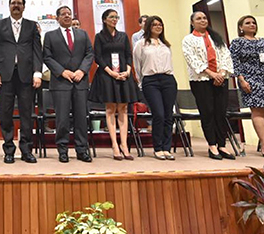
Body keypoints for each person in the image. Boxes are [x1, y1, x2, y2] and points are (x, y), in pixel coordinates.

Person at [0, 0, 42, 164]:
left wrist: (37, 73)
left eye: (19, 3)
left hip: (27, 76)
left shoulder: (32, 25)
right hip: (5, 76)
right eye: (13, 3)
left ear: (24, 7)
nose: (16, 6)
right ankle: (9, 150)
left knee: (27, 114)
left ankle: (26, 150)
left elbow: (37, 51)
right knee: (5, 114)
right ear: (9, 6)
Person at [43, 6, 94, 163]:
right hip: (60, 82)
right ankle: (62, 150)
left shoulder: (82, 34)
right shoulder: (50, 36)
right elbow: (47, 57)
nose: (67, 16)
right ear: (57, 18)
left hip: (80, 82)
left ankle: (82, 150)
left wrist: (82, 71)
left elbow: (89, 54)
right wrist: (62, 71)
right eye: (63, 14)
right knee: (62, 119)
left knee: (81, 118)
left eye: (69, 14)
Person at [182, 11, 235, 160]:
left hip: (220, 79)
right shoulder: (188, 40)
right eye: (199, 18)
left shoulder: (216, 38)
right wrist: (211, 74)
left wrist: (221, 73)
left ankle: (222, 145)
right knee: (208, 112)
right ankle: (212, 145)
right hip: (201, 80)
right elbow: (192, 59)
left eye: (204, 18)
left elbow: (226, 56)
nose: (203, 20)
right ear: (192, 23)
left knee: (221, 112)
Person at [88, 9, 139, 161]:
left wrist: (128, 71)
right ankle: (114, 145)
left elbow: (128, 54)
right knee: (110, 109)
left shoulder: (123, 36)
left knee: (123, 109)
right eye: (111, 17)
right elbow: (98, 57)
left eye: (116, 17)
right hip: (107, 76)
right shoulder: (99, 36)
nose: (114, 19)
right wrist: (111, 72)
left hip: (123, 74)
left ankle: (124, 145)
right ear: (104, 19)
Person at [133, 16, 177, 161]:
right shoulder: (141, 44)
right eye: (155, 25)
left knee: (168, 115)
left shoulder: (166, 45)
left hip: (168, 80)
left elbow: (170, 63)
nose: (158, 27)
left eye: (160, 24)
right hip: (150, 81)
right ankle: (157, 148)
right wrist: (141, 82)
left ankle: (166, 148)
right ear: (148, 27)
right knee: (159, 114)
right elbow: (137, 65)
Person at [230, 15, 264, 156]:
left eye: (253, 22)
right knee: (258, 110)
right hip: (249, 79)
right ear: (241, 27)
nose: (252, 25)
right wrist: (241, 80)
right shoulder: (237, 42)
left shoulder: (262, 41)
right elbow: (234, 62)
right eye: (248, 23)